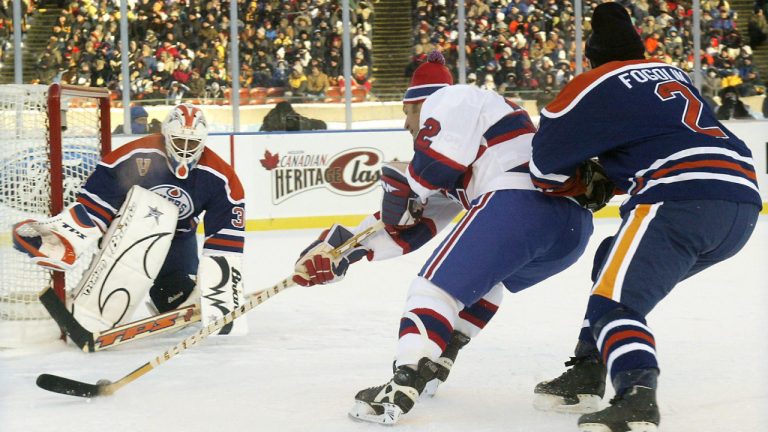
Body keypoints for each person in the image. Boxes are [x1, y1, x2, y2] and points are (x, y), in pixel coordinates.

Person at [291, 51, 602, 425]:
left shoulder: (452, 98)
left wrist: (403, 182)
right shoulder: (474, 142)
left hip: (519, 204)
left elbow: (425, 177)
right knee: (483, 282)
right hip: (568, 226)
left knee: (432, 289)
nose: (407, 126)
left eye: (407, 113)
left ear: (420, 101)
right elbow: (418, 225)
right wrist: (343, 249)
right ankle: (437, 359)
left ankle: (403, 383)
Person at [528, 4, 761, 431]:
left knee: (615, 303)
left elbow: (544, 167)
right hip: (741, 204)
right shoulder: (675, 75)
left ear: (594, 56)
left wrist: (581, 181)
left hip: (680, 199)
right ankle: (587, 368)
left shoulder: (593, 82)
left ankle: (636, 396)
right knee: (610, 258)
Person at [14, 103, 247, 334]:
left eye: (192, 143)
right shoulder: (136, 155)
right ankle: (92, 311)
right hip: (129, 235)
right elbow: (99, 203)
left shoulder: (220, 177)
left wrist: (219, 294)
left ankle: (163, 299)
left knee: (180, 300)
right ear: (166, 134)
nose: (186, 149)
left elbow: (224, 240)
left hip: (179, 239)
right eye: (179, 141)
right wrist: (66, 236)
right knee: (106, 303)